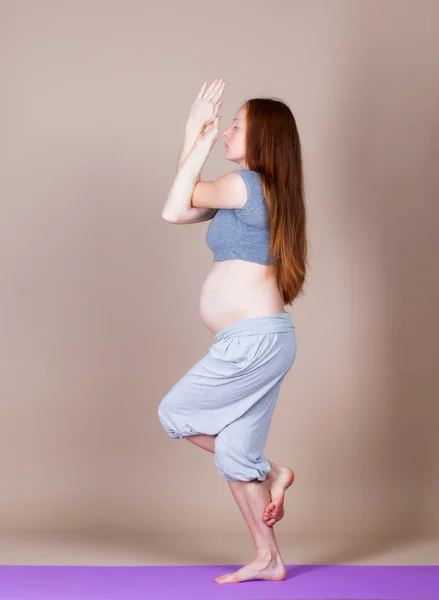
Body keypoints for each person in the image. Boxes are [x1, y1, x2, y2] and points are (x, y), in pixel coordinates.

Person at [159, 78, 308, 584]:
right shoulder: (255, 191)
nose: (226, 133)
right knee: (232, 454)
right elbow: (181, 207)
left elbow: (171, 207)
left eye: (235, 126)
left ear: (262, 139)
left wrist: (193, 134)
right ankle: (269, 559)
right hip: (260, 341)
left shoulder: (243, 185)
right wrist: (194, 136)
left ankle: (269, 471)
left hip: (253, 342)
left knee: (176, 412)